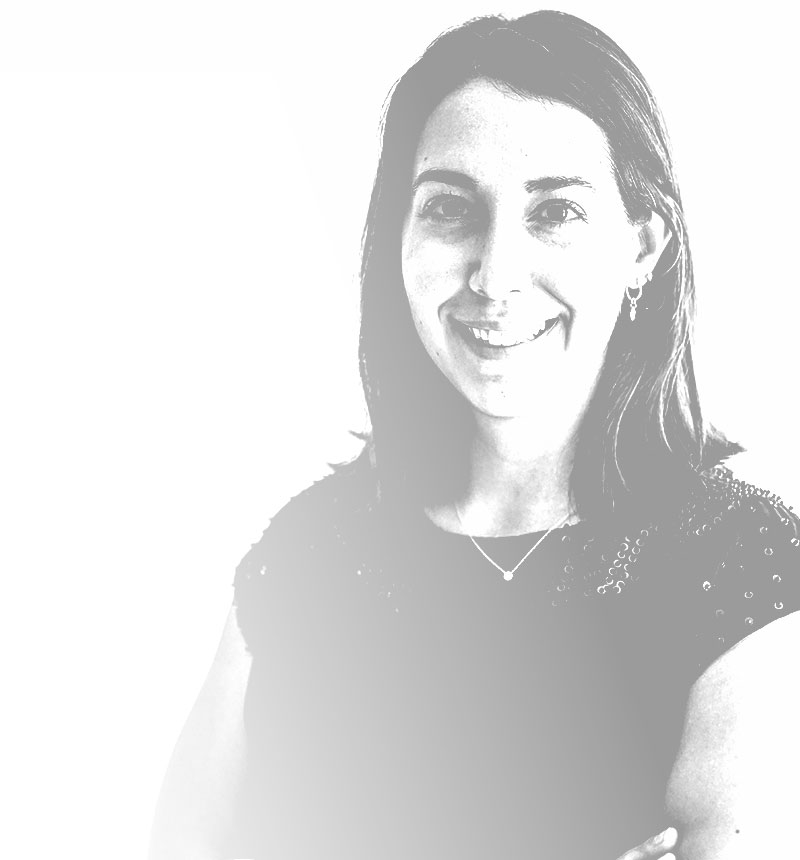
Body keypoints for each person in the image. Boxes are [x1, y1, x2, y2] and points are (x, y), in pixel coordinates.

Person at [149, 10, 799, 859]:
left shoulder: (744, 569)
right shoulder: (301, 557)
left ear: (643, 246)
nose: (496, 275)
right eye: (451, 209)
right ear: (400, 237)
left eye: (556, 211)